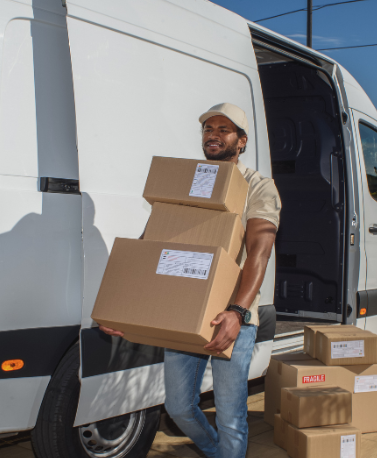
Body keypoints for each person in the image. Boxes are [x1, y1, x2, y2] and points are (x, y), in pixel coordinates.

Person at [100, 103, 281, 458]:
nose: (213, 135)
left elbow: (259, 253)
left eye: (223, 130)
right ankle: (217, 453)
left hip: (234, 317)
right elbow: (150, 248)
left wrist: (237, 311)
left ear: (241, 141)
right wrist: (122, 309)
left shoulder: (259, 186)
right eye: (207, 129)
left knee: (230, 417)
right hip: (184, 314)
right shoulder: (189, 183)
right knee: (179, 407)